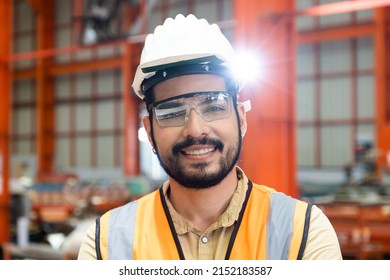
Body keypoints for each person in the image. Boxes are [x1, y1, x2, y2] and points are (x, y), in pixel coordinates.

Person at [78, 14, 342, 260]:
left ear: (241, 118)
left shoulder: (304, 234)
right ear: (149, 131)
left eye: (214, 106)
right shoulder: (106, 244)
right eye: (171, 112)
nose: (195, 129)